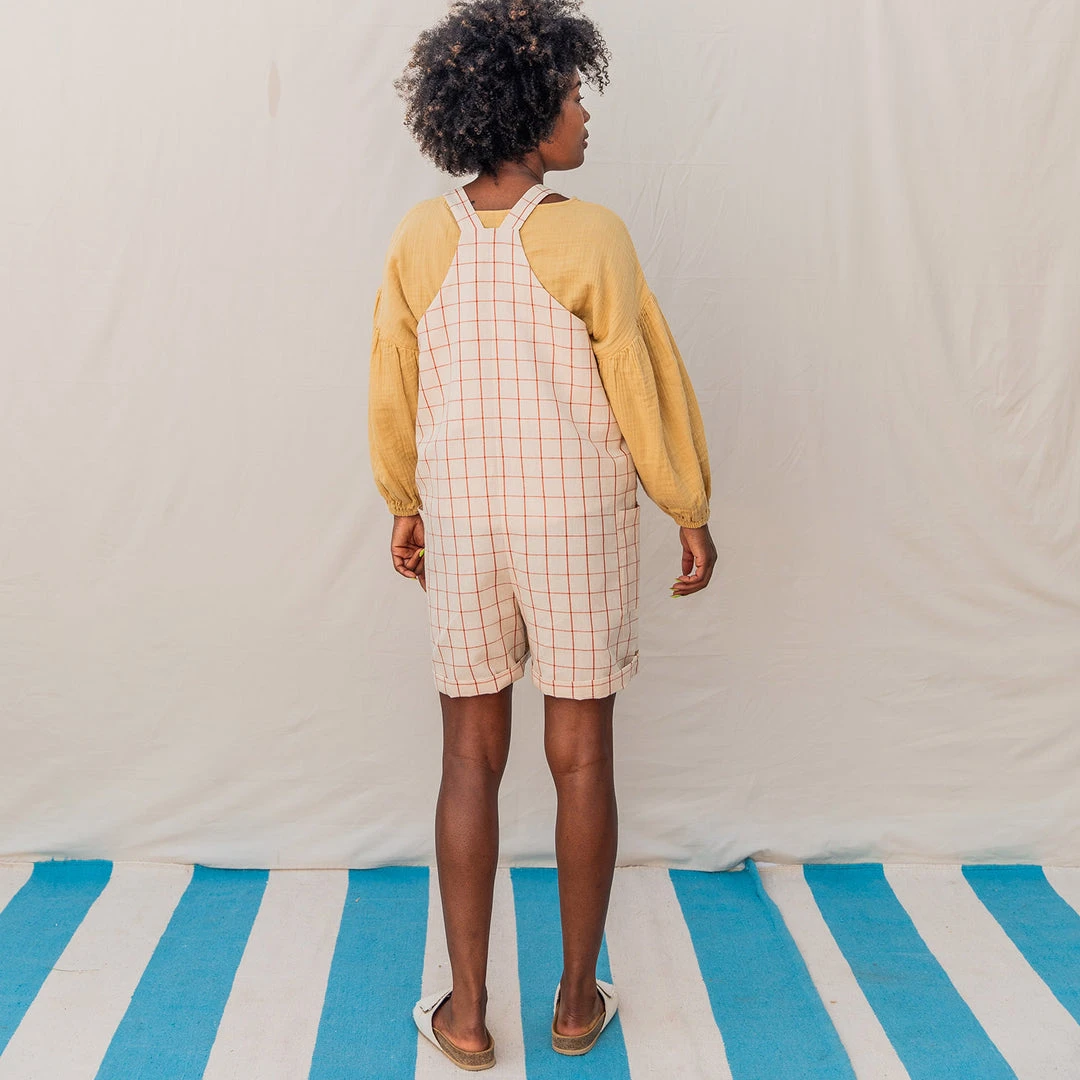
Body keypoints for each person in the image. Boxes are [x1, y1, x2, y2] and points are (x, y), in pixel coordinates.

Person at [368, 0, 717, 1069]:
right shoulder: (590, 235)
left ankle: (468, 1014)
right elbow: (643, 381)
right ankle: (572, 1001)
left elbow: (394, 380)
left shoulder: (421, 237)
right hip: (574, 519)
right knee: (583, 756)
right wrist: (687, 504)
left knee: (468, 757)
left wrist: (404, 500)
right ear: (524, 112)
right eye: (570, 95)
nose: (584, 113)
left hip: (466, 518)